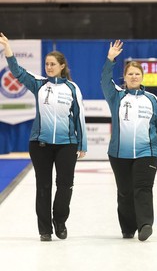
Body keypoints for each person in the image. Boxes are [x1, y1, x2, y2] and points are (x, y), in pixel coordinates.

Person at [0, 33, 87, 242]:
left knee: (65, 185)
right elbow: (18, 72)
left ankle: (60, 221)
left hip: (67, 144)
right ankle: (44, 229)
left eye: (52, 64)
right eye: (47, 64)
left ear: (62, 66)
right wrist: (7, 49)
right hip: (40, 145)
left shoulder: (72, 88)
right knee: (43, 186)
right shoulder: (39, 84)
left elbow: (79, 117)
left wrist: (82, 144)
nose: (48, 67)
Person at [101, 40, 157, 242]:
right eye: (130, 73)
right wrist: (110, 59)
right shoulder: (116, 97)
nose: (133, 76)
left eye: (137, 74)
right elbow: (105, 81)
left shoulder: (152, 99)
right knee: (124, 192)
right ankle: (128, 227)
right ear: (124, 77)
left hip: (146, 152)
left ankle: (145, 225)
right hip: (118, 154)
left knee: (143, 188)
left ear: (142, 77)